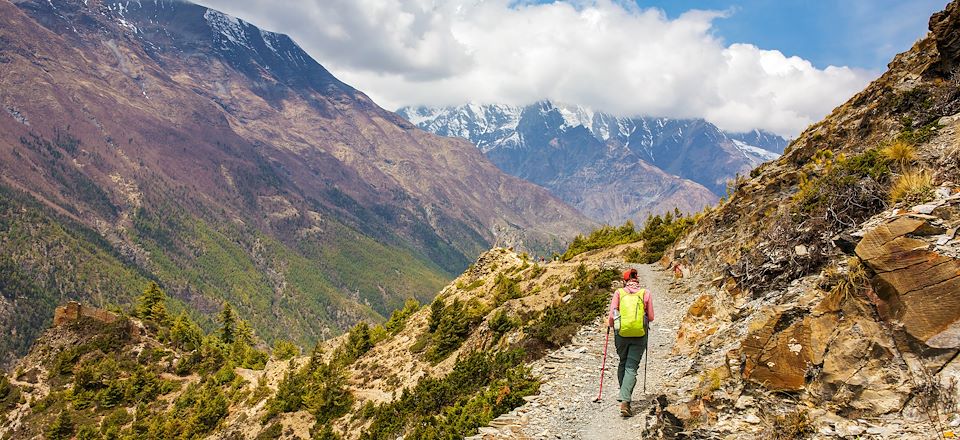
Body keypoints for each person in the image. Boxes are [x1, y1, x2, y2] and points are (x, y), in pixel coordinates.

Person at [607, 268, 654, 417]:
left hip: (621, 333)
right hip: (640, 334)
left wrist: (610, 326)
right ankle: (625, 400)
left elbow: (612, 315)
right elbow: (651, 317)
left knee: (623, 362)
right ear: (637, 279)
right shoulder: (645, 293)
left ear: (625, 280)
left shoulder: (619, 293)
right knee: (631, 365)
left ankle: (624, 397)